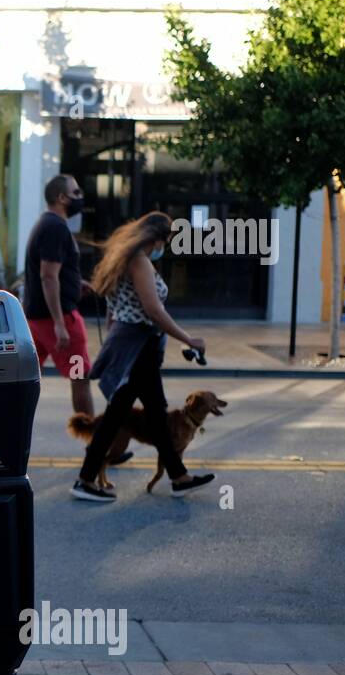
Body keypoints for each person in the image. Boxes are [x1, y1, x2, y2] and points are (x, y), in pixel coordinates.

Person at [71, 211, 215, 502]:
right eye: (167, 240)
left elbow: (115, 311)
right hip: (139, 346)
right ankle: (86, 479)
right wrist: (188, 339)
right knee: (117, 416)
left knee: (152, 414)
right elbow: (153, 311)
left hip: (136, 346)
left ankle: (178, 476)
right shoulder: (139, 261)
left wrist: (116, 341)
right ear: (157, 238)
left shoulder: (126, 259)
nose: (166, 246)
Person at [22, 174, 96, 416]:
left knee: (25, 380)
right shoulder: (55, 228)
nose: (80, 197)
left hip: (36, 320)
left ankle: (10, 434)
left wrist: (76, 282)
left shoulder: (46, 224)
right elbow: (48, 276)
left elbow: (53, 273)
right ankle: (93, 443)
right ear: (62, 198)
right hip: (59, 320)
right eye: (76, 193)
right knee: (80, 376)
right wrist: (60, 324)